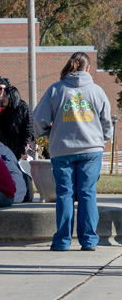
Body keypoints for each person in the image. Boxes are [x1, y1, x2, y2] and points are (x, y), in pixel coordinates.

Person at [32, 51, 113, 251]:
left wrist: (48, 133)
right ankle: (89, 241)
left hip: (62, 149)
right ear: (88, 68)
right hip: (91, 149)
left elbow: (38, 119)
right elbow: (106, 124)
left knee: (65, 195)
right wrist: (99, 139)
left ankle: (62, 241)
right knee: (87, 193)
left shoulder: (56, 89)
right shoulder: (97, 91)